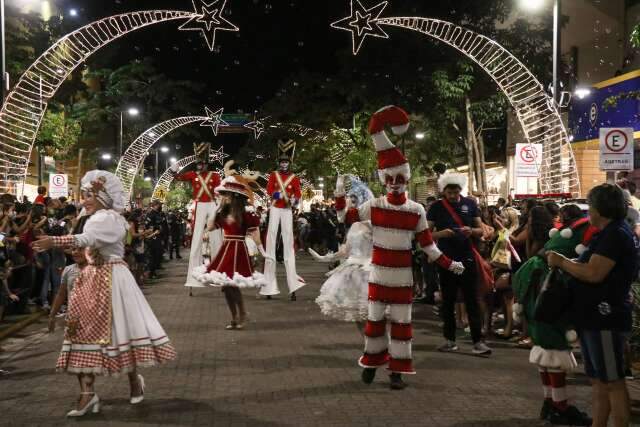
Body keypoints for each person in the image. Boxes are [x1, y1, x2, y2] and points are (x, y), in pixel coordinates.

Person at [335, 106, 463, 389]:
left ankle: (396, 371)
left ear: (406, 179)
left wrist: (449, 263)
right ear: (384, 180)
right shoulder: (375, 206)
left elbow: (428, 246)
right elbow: (345, 218)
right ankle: (371, 361)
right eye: (390, 179)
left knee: (402, 328)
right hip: (379, 277)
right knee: (375, 322)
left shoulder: (416, 210)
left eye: (400, 179)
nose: (394, 184)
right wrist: (339, 195)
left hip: (403, 280)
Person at [33, 170, 176, 417]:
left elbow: (88, 238)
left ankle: (133, 380)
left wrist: (54, 242)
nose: (84, 199)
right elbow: (83, 243)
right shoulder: (90, 217)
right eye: (85, 195)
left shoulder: (109, 218)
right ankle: (87, 394)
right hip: (90, 278)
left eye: (89, 195)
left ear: (104, 198)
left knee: (120, 332)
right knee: (80, 333)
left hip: (112, 279)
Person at [548, 184, 639, 427]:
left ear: (600, 207)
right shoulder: (606, 233)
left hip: (606, 318)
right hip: (593, 318)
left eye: (591, 205)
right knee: (599, 381)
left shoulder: (616, 234)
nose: (589, 211)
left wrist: (562, 262)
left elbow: (593, 273)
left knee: (612, 380)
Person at [513, 213, 594, 426]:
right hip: (549, 287)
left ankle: (550, 402)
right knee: (553, 345)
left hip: (536, 283)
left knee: (544, 345)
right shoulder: (591, 227)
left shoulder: (578, 227)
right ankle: (559, 406)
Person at [192, 162, 264, 329]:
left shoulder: (246, 214)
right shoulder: (222, 213)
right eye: (222, 194)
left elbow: (254, 233)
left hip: (238, 249)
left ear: (234, 196)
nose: (222, 197)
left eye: (225, 195)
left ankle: (243, 314)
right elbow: (209, 227)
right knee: (225, 286)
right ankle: (234, 317)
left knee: (231, 285)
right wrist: (216, 209)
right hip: (226, 250)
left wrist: (262, 251)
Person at [427, 173, 492, 355]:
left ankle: (478, 342)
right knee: (448, 301)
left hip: (467, 258)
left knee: (472, 300)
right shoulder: (436, 207)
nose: (453, 195)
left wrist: (471, 230)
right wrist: (442, 234)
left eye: (456, 192)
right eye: (450, 192)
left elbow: (482, 230)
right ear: (444, 191)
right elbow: (426, 234)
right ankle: (449, 340)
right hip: (446, 260)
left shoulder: (470, 204)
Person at [311, 176, 374, 322]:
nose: (352, 204)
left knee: (374, 314)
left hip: (372, 272)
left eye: (355, 200)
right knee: (360, 314)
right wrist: (325, 258)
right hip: (354, 271)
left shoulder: (377, 227)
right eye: (351, 200)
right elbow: (346, 250)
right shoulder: (355, 226)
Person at [170, 143, 222, 289]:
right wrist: (174, 171)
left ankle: (218, 273)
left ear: (206, 164)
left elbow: (218, 190)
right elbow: (179, 178)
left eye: (202, 163)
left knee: (216, 237)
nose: (200, 166)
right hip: (199, 205)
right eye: (198, 163)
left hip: (212, 204)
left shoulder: (215, 175)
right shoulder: (192, 174)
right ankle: (195, 276)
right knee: (197, 237)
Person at [260, 139, 306, 301]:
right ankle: (268, 286)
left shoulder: (294, 177)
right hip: (275, 208)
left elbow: (299, 194)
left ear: (289, 163)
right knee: (271, 241)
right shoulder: (273, 175)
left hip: (287, 210)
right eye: (282, 162)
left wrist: (293, 200)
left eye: (286, 162)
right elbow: (269, 190)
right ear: (279, 163)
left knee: (288, 244)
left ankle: (293, 286)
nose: (284, 164)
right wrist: (283, 196)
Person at [48, 247, 88, 332]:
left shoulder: (98, 270)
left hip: (93, 319)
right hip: (73, 318)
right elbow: (61, 294)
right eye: (74, 249)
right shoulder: (68, 269)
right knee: (72, 343)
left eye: (80, 249)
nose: (76, 252)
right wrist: (52, 316)